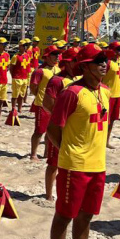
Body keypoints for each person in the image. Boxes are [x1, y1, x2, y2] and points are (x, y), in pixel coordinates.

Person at [47, 44, 110, 239]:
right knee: (64, 215)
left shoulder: (105, 91)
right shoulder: (71, 92)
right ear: (85, 66)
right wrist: (69, 151)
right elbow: (53, 128)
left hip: (97, 164)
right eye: (98, 60)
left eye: (105, 59)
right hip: (74, 165)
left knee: (86, 216)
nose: (104, 63)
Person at [42, 47, 79, 200]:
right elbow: (47, 103)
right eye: (77, 61)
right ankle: (49, 194)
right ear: (69, 63)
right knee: (54, 163)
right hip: (60, 126)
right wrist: (62, 118)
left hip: (75, 128)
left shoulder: (78, 79)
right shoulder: (57, 80)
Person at [28, 46, 61, 161]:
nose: (57, 56)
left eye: (58, 54)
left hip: (55, 105)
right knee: (39, 131)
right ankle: (33, 154)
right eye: (54, 54)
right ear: (47, 57)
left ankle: (46, 152)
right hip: (42, 105)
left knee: (51, 131)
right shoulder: (39, 71)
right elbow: (33, 87)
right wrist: (40, 96)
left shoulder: (58, 70)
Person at [101, 42, 120, 149]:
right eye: (117, 49)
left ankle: (106, 141)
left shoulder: (119, 62)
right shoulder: (108, 63)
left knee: (112, 120)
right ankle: (100, 141)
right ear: (112, 50)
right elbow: (100, 78)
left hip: (117, 96)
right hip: (107, 96)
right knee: (103, 120)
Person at [10, 39, 32, 115]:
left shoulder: (27, 55)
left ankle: (19, 108)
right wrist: (13, 76)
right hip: (17, 78)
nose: (25, 47)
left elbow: (28, 67)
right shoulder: (15, 56)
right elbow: (11, 67)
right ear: (20, 46)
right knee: (15, 95)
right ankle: (13, 108)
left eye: (25, 46)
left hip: (24, 78)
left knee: (21, 95)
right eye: (23, 46)